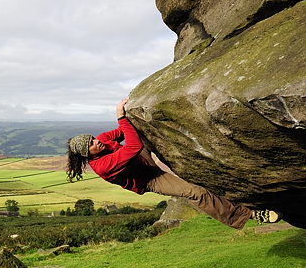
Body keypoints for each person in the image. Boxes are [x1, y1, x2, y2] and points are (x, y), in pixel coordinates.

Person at [67, 97, 281, 229]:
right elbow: (131, 145)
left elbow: (124, 131)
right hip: (148, 178)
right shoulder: (102, 166)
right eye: (92, 144)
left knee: (138, 130)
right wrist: (121, 117)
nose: (97, 141)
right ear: (88, 155)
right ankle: (250, 214)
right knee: (195, 192)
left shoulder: (103, 140)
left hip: (139, 158)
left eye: (93, 138)